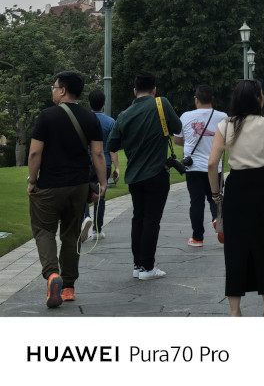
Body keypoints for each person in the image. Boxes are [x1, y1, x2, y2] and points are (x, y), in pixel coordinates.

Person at [207, 73, 264, 317]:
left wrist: (216, 195)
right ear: (258, 99)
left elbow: (212, 163)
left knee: (235, 248)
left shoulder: (225, 125)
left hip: (236, 186)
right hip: (262, 184)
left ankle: (235, 311)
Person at [27, 71, 107, 308]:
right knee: (71, 236)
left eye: (54, 87)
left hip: (50, 185)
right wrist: (102, 183)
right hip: (79, 187)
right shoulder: (90, 118)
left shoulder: (46, 117)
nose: (53, 91)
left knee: (43, 231)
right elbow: (98, 153)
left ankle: (53, 275)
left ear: (62, 90)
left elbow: (34, 153)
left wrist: (32, 180)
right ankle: (69, 287)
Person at [107, 71, 181, 280]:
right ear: (154, 89)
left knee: (138, 218)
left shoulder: (124, 115)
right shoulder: (161, 103)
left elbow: (112, 144)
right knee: (151, 220)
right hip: (156, 172)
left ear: (134, 90)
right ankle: (148, 266)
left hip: (134, 176)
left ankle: (138, 265)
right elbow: (177, 128)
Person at [173, 84, 227, 246]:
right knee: (215, 199)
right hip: (214, 166)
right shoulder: (222, 116)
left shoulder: (185, 116)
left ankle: (197, 238)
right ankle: (217, 220)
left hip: (193, 167)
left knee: (196, 202)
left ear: (196, 100)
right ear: (212, 99)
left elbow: (177, 139)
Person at [82, 88, 120, 241]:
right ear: (104, 103)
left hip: (86, 161)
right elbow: (112, 147)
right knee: (100, 194)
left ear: (89, 103)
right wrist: (116, 167)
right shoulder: (111, 122)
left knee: (83, 193)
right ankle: (97, 230)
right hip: (104, 161)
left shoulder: (84, 120)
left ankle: (85, 217)